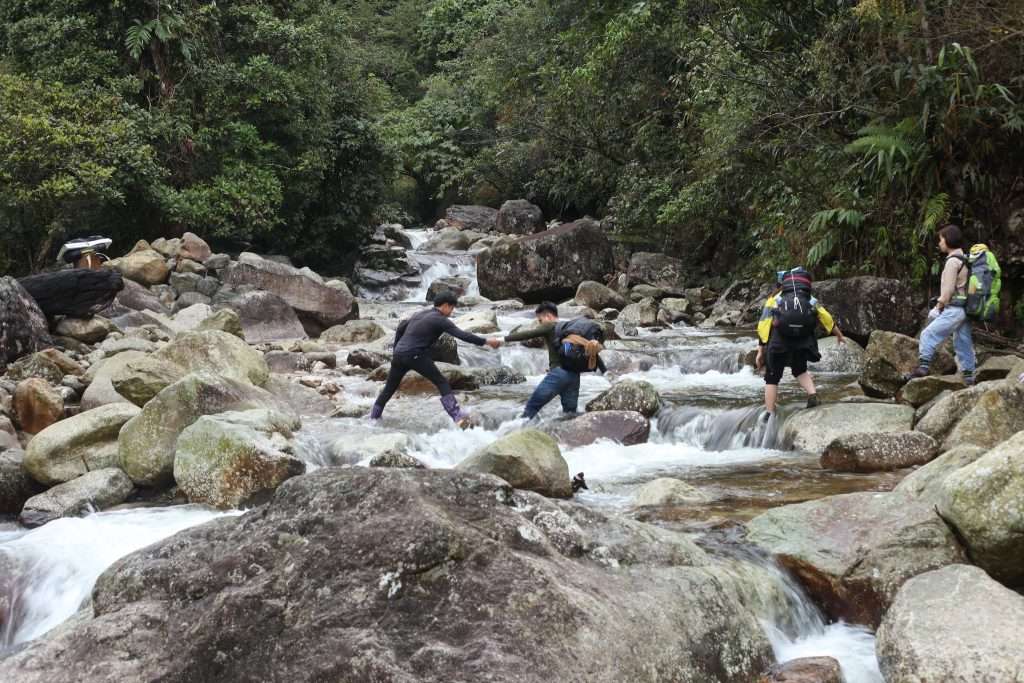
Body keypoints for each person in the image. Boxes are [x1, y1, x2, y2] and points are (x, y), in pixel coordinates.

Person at [370, 291, 501, 426]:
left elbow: (401, 327)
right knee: (441, 382)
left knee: (389, 388)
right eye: (451, 308)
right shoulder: (440, 320)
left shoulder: (419, 314)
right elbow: (462, 336)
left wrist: (396, 350)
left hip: (399, 355)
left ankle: (374, 418)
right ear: (445, 306)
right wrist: (486, 341)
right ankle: (457, 417)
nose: (451, 312)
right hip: (415, 354)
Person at [756, 267, 845, 419]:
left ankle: (769, 414)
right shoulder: (808, 299)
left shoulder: (774, 300)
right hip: (802, 341)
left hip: (779, 343)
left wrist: (761, 349)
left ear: (781, 284)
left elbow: (764, 324)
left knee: (772, 377)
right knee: (800, 370)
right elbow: (825, 316)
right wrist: (838, 334)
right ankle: (813, 395)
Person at [504, 302, 606, 420]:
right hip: (574, 377)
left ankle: (518, 434)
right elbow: (593, 353)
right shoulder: (570, 331)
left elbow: (527, 334)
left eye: (540, 320)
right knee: (569, 415)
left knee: (530, 409)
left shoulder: (550, 326)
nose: (539, 323)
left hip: (558, 375)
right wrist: (606, 373)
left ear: (548, 316)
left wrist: (502, 339)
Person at [906, 224, 976, 385]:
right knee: (963, 341)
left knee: (928, 334)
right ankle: (969, 376)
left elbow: (948, 290)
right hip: (965, 308)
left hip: (955, 309)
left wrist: (938, 307)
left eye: (941, 239)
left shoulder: (952, 261)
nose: (939, 243)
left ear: (948, 240)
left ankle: (923, 368)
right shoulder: (965, 259)